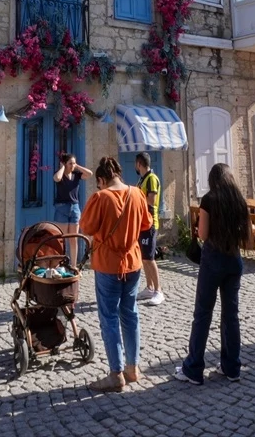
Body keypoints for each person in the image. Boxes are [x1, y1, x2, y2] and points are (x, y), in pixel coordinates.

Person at [79, 157, 152, 392]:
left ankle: (116, 373)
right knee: (130, 314)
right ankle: (133, 368)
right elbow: (146, 224)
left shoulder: (100, 198)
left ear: (101, 179)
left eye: (99, 183)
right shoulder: (136, 193)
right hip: (132, 262)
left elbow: (86, 228)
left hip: (108, 264)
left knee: (109, 317)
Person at [174, 163, 250, 385]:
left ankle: (194, 368)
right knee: (231, 315)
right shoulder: (239, 200)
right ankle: (232, 366)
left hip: (213, 259)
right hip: (234, 259)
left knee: (203, 314)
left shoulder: (209, 199)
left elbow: (203, 233)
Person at [134, 153, 164, 306]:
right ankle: (150, 287)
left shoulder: (151, 179)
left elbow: (151, 200)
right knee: (144, 258)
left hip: (150, 223)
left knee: (150, 258)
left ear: (139, 164)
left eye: (136, 164)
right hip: (142, 223)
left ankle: (159, 290)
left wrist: (135, 198)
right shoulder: (143, 179)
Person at [53, 153, 92, 262]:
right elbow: (57, 178)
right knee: (62, 239)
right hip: (62, 209)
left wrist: (77, 166)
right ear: (64, 164)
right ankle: (61, 264)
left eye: (73, 163)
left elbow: (89, 174)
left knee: (73, 239)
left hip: (74, 208)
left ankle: (73, 265)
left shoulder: (77, 175)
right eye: (70, 163)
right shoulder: (59, 174)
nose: (72, 166)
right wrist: (62, 168)